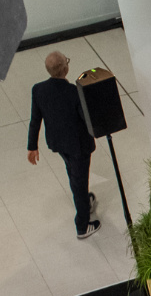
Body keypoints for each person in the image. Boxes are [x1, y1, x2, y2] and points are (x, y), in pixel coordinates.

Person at [25, 50, 99, 239]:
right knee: (79, 180)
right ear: (65, 68)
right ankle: (82, 225)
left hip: (59, 143)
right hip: (78, 145)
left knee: (73, 174)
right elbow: (86, 118)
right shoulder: (75, 92)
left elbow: (35, 120)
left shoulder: (38, 90)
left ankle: (82, 201)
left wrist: (32, 146)